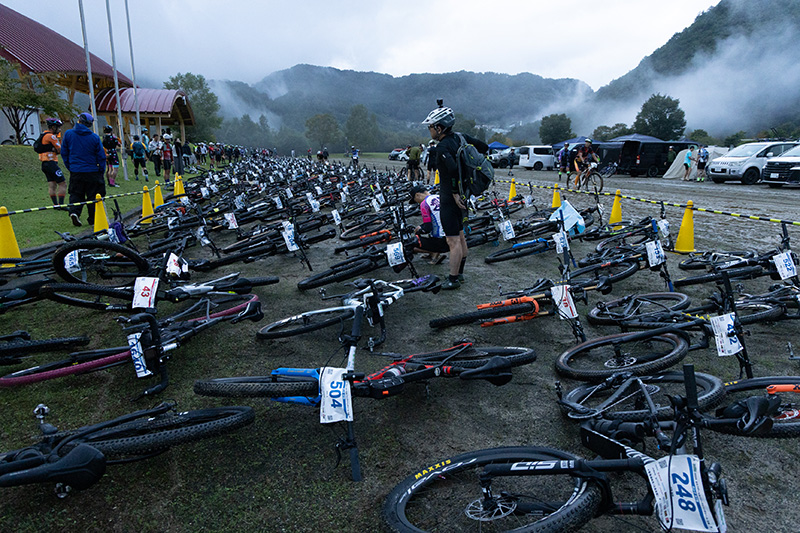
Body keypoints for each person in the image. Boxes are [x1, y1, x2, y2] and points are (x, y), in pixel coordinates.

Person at [422, 103, 488, 290]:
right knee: (460, 236)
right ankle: (459, 274)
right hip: (465, 194)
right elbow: (484, 147)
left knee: (452, 240)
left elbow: (451, 170)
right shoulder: (461, 137)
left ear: (439, 127)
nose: (429, 130)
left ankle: (453, 279)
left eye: (430, 126)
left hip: (450, 198)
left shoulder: (442, 147)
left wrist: (454, 192)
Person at [61, 112, 106, 227]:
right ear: (89, 124)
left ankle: (74, 212)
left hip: (76, 170)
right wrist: (101, 170)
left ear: (79, 121)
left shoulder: (68, 134)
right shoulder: (94, 137)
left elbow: (64, 152)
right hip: (92, 171)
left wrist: (70, 166)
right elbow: (101, 156)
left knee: (76, 193)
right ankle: (93, 218)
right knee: (93, 196)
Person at [408, 185, 449, 264]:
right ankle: (433, 254)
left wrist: (419, 230)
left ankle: (434, 253)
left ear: (417, 195)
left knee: (411, 243)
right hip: (452, 236)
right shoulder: (439, 197)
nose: (417, 202)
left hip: (441, 243)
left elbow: (427, 228)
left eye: (415, 200)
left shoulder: (424, 204)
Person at [39, 117, 67, 208]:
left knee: (52, 184)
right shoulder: (51, 136)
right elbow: (60, 150)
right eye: (58, 127)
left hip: (44, 163)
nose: (59, 130)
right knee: (63, 183)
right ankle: (61, 204)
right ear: (53, 127)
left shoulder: (43, 134)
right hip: (51, 163)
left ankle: (55, 204)